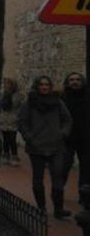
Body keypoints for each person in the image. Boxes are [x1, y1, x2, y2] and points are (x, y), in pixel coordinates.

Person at [17, 75, 73, 218]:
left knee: (58, 177)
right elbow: (22, 121)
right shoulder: (29, 103)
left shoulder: (58, 102)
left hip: (56, 145)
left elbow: (67, 119)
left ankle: (58, 209)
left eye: (47, 85)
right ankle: (41, 207)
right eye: (41, 84)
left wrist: (63, 133)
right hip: (36, 146)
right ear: (37, 86)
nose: (44, 87)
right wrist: (29, 137)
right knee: (38, 178)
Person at [60, 72, 89, 190]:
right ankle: (59, 191)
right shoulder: (62, 98)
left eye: (78, 79)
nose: (75, 82)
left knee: (86, 169)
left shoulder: (87, 97)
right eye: (72, 80)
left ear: (82, 82)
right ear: (67, 82)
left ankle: (84, 195)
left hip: (85, 139)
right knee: (64, 166)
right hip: (67, 139)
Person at [0, 78, 22, 167]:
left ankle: (14, 156)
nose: (7, 86)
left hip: (13, 120)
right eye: (6, 84)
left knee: (12, 139)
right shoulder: (2, 94)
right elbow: (0, 105)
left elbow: (16, 105)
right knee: (5, 139)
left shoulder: (16, 96)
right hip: (3, 120)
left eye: (9, 84)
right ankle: (6, 154)